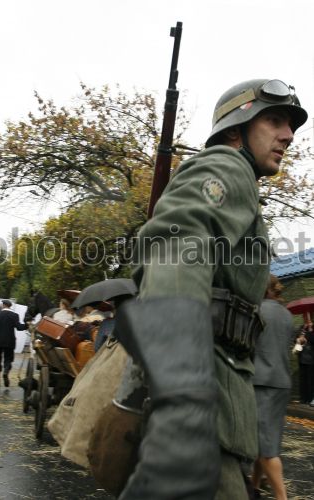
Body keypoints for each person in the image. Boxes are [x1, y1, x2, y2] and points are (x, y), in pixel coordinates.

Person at [114, 79, 308, 499]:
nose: (288, 136)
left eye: (289, 125)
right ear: (236, 128)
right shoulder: (226, 167)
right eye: (274, 120)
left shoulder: (243, 184)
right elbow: (178, 243)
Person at [251, 275, 295, 500]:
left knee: (266, 446)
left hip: (262, 382)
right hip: (281, 382)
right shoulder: (286, 314)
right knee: (267, 439)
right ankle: (255, 488)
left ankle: (281, 496)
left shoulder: (256, 310)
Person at [0, 299, 27, 387]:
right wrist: (27, 325)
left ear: (4, 305)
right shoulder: (14, 315)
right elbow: (19, 327)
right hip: (10, 342)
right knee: (8, 360)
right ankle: (6, 371)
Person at [294, 322, 314, 405]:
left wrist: (309, 331)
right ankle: (303, 398)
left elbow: (312, 340)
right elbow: (295, 339)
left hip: (312, 359)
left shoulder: (311, 330)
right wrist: (298, 338)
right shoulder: (302, 328)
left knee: (311, 380)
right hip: (302, 359)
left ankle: (311, 398)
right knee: (303, 380)